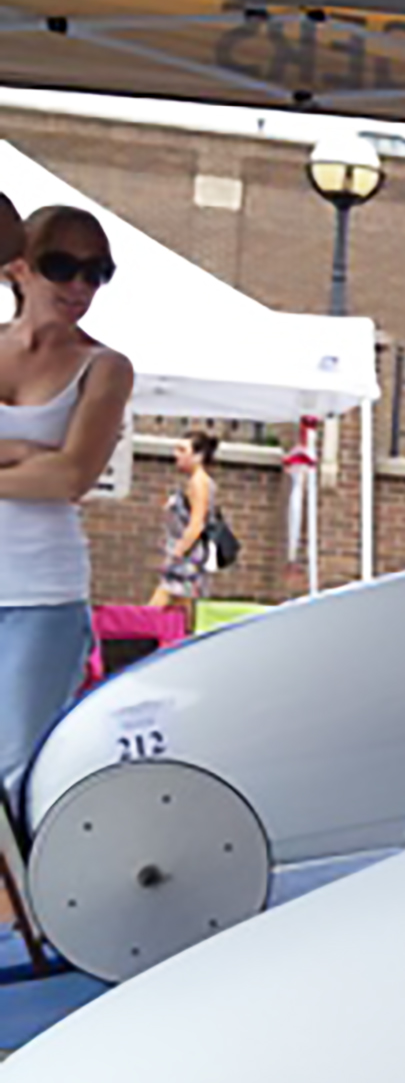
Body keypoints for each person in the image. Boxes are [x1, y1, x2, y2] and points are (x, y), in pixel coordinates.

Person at [0, 201, 134, 800]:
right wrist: (26, 456)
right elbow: (52, 470)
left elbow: (72, 477)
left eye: (97, 271)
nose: (81, 285)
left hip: (41, 596)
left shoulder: (105, 367)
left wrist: (48, 465)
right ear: (20, 269)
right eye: (63, 265)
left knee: (13, 774)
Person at [149, 428, 220, 609]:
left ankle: (134, 636)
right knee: (182, 611)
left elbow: (197, 522)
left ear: (198, 456)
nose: (176, 455)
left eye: (182, 450)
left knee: (157, 608)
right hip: (188, 557)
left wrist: (179, 551)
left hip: (188, 559)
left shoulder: (199, 482)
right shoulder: (195, 481)